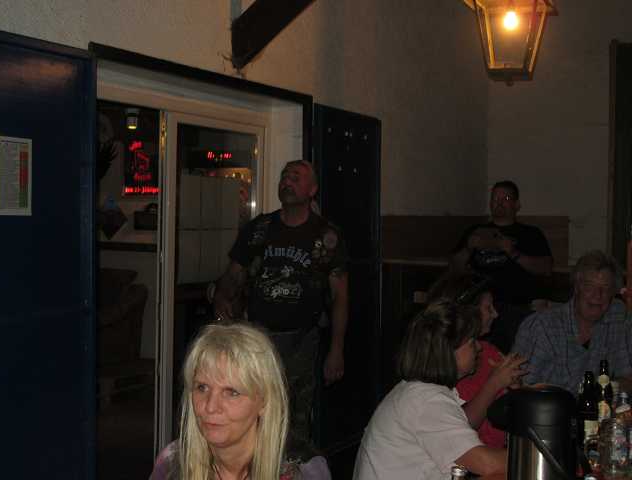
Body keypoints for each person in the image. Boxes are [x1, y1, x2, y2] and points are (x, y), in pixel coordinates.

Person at [213, 160, 349, 442]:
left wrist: (336, 349)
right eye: (284, 176)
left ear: (312, 190)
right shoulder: (259, 229)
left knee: (294, 425)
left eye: (296, 178)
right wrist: (220, 300)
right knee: (252, 419)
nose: (287, 181)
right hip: (257, 342)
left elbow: (340, 297)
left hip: (301, 342)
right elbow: (233, 276)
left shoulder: (326, 236)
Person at [149, 322, 331, 480]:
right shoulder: (172, 464)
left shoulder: (302, 471)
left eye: (232, 392)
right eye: (202, 388)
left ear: (264, 401)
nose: (210, 406)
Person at [352, 300, 507, 480]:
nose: (479, 347)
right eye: (472, 342)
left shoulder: (420, 391)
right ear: (449, 351)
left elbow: (460, 434)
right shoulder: (426, 400)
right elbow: (488, 465)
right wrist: (532, 453)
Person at [450, 180, 553, 353]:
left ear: (517, 205)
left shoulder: (530, 234)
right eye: (495, 199)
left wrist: (513, 252)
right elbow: (454, 268)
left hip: (517, 307)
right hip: (477, 308)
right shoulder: (476, 231)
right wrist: (468, 248)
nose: (499, 203)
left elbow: (546, 268)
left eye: (505, 198)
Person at [427, 273, 527, 448]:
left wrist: (516, 389)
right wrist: (494, 383)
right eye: (488, 308)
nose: (495, 314)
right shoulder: (437, 363)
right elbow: (454, 431)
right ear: (465, 313)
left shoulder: (489, 351)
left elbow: (517, 416)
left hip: (495, 453)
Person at [512, 250, 632, 394]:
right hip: (543, 406)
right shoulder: (542, 327)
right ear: (576, 287)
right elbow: (520, 389)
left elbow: (627, 378)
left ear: (612, 294)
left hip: (595, 406)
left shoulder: (617, 319)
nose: (598, 295)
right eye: (589, 286)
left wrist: (598, 392)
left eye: (605, 288)